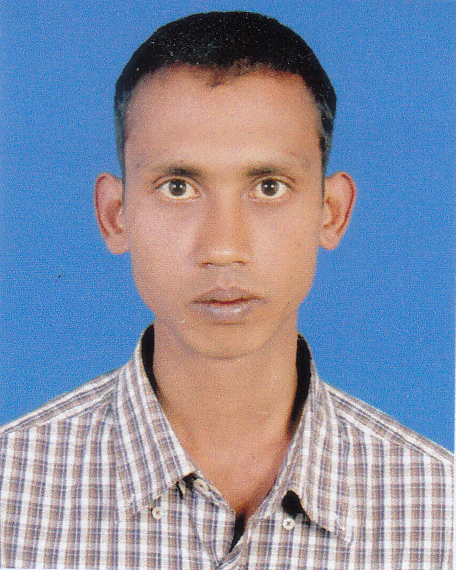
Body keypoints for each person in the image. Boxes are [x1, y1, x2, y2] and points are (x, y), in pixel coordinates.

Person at [0, 11, 452, 569]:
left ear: (331, 212)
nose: (222, 247)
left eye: (269, 186)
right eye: (178, 187)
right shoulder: (11, 490)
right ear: (116, 214)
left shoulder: (439, 506)